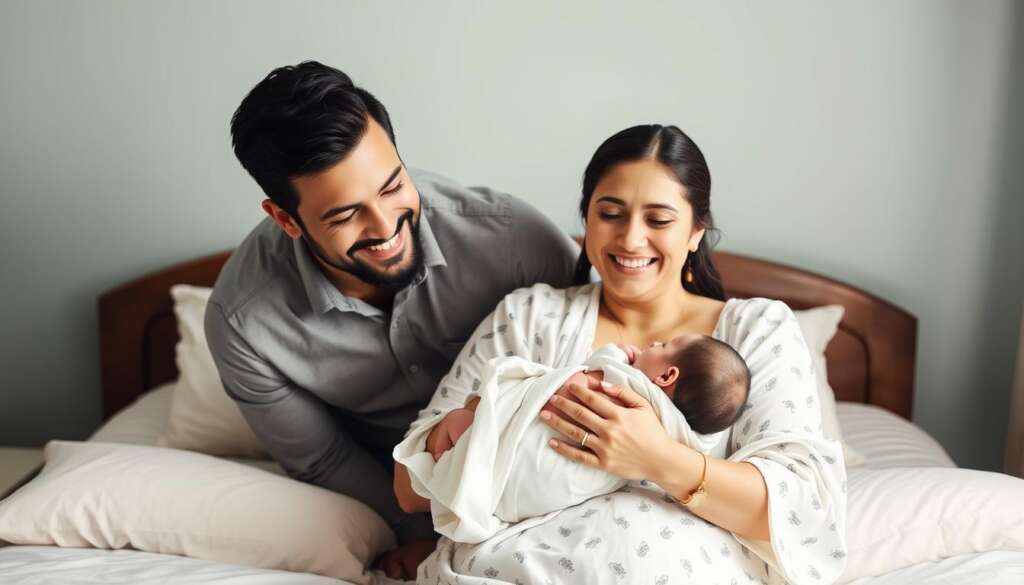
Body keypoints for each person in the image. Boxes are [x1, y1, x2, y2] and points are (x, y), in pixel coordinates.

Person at [395, 124, 847, 585]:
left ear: (696, 231)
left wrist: (656, 458)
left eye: (658, 220)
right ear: (587, 219)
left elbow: (801, 512)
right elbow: (408, 487)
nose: (631, 239)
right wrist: (476, 425)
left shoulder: (755, 331)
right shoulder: (532, 315)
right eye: (610, 213)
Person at [204, 61, 578, 580]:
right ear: (285, 219)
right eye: (343, 215)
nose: (386, 227)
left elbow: (607, 333)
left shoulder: (515, 241)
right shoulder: (243, 324)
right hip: (396, 490)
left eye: (392, 186)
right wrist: (418, 532)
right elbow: (324, 458)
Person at [393, 334, 750, 543]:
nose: (652, 343)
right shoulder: (685, 437)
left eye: (663, 344)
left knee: (467, 425)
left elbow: (585, 376)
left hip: (518, 466)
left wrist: (615, 355)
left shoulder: (630, 386)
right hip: (533, 497)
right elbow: (406, 493)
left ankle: (464, 458)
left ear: (667, 375)